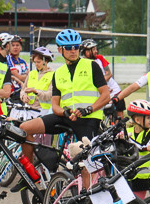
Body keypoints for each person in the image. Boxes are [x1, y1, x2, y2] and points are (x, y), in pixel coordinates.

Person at [18, 29, 111, 160]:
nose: (73, 50)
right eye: (68, 48)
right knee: (24, 128)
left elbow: (106, 96)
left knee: (86, 162)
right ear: (60, 50)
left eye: (76, 47)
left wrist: (88, 109)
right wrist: (65, 113)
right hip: (66, 117)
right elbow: (55, 106)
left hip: (88, 119)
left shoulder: (92, 66)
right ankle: (30, 174)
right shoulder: (58, 73)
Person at [125, 99, 150, 198]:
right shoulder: (127, 131)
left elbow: (143, 147)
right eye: (148, 118)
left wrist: (127, 139)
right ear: (137, 119)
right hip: (134, 176)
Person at [82, 39, 123, 113]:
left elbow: (109, 74)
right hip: (101, 95)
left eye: (96, 49)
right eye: (94, 49)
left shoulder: (99, 58)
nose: (96, 51)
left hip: (114, 91)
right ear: (86, 51)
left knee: (119, 115)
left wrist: (99, 83)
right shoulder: (82, 64)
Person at [22, 46, 56, 116]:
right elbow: (23, 90)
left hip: (44, 111)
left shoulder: (53, 75)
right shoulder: (31, 73)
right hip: (29, 109)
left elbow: (49, 95)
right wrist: (24, 96)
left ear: (46, 61)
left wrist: (35, 91)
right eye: (35, 62)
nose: (36, 64)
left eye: (38, 62)